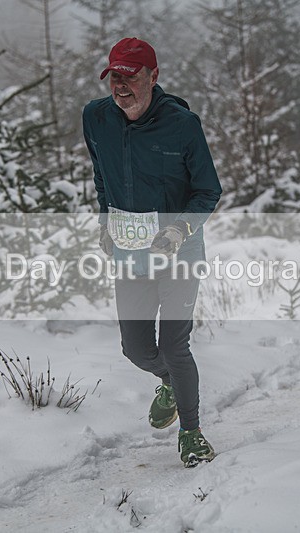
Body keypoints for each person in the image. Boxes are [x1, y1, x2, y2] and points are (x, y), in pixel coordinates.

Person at [82, 37, 222, 467]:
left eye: (131, 77)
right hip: (130, 250)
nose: (121, 86)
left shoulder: (182, 125)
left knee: (175, 346)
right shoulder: (96, 118)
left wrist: (179, 229)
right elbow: (101, 175)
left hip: (179, 250)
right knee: (137, 349)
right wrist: (104, 222)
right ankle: (170, 383)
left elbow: (208, 191)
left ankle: (192, 434)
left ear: (153, 76)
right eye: (114, 77)